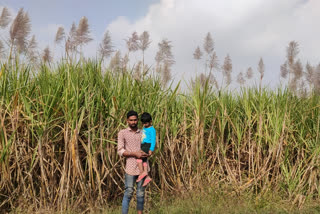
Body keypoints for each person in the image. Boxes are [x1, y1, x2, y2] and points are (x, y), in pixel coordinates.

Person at [117, 110, 149, 214]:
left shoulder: (143, 133)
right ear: (127, 121)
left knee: (140, 193)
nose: (133, 122)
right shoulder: (122, 133)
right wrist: (134, 154)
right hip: (130, 167)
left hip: (143, 168)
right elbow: (120, 151)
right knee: (129, 192)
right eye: (131, 120)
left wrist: (147, 153)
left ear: (138, 120)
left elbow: (148, 147)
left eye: (135, 120)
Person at [136, 112, 156, 186]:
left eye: (146, 123)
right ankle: (147, 176)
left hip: (147, 145)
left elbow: (153, 140)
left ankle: (142, 173)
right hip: (143, 144)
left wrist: (151, 149)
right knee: (144, 159)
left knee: (138, 157)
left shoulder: (152, 129)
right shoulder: (144, 128)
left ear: (150, 121)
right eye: (143, 123)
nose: (144, 124)